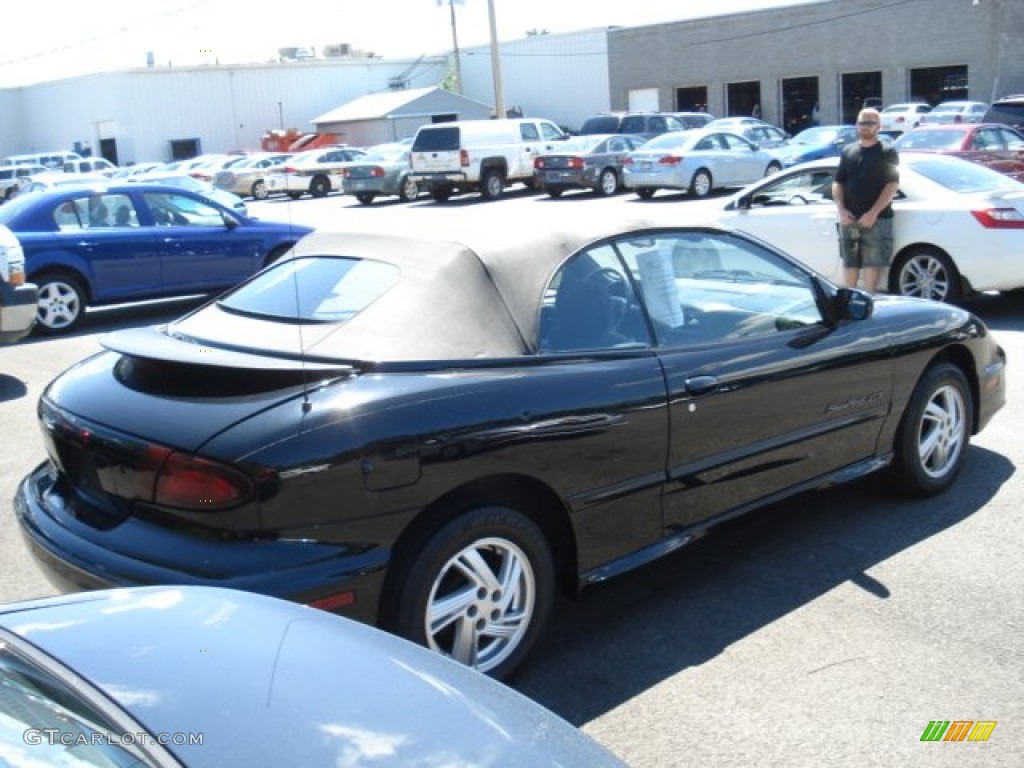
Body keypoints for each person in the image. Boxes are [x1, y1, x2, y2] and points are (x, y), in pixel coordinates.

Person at [832, 107, 899, 292]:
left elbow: (892, 185)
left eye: (870, 123)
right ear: (856, 125)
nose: (865, 127)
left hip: (877, 219)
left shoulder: (887, 152)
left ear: (879, 126)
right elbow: (838, 183)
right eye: (862, 123)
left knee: (872, 262)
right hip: (850, 219)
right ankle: (849, 301)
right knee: (850, 261)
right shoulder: (848, 152)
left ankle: (869, 299)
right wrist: (842, 210)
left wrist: (873, 213)